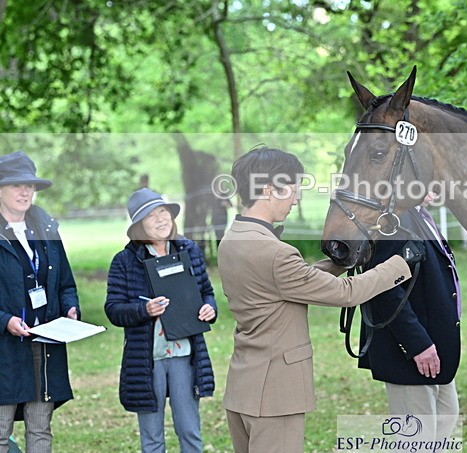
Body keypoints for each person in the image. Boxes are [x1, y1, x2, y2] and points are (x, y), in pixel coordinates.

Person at [217, 146, 418, 453]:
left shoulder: (235, 237)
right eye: (293, 190)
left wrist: (342, 260)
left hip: (244, 388)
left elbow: (290, 281)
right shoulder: (275, 253)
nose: (296, 199)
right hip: (275, 395)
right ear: (269, 189)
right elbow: (347, 293)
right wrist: (400, 264)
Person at [104, 188, 217, 453]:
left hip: (184, 354)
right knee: (152, 436)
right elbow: (113, 309)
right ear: (139, 226)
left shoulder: (189, 250)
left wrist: (209, 308)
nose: (161, 219)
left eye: (163, 212)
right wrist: (144, 310)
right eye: (151, 216)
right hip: (147, 360)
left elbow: (207, 292)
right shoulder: (124, 261)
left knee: (189, 430)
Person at [359, 192, 461, 440]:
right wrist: (417, 345)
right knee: (417, 439)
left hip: (436, 346)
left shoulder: (418, 216)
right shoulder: (394, 221)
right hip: (411, 352)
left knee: (445, 420)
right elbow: (384, 289)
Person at [0, 151, 80, 453]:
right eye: (16, 185)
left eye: (30, 186)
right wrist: (5, 320)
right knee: (0, 430)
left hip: (44, 343)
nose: (25, 192)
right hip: (5, 350)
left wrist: (70, 308)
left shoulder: (46, 228)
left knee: (40, 428)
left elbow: (66, 283)